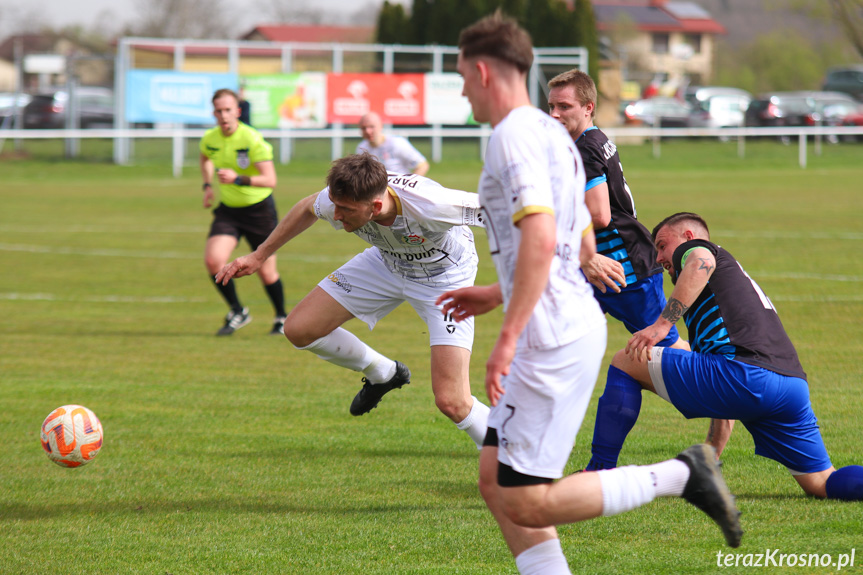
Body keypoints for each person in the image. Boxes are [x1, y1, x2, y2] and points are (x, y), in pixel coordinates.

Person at [437, 13, 742, 574]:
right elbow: (576, 232)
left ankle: (683, 474)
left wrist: (505, 338)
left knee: (525, 499)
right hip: (562, 321)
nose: (461, 89)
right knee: (493, 479)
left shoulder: (513, 137)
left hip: (548, 339)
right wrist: (494, 292)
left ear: (482, 70)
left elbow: (538, 236)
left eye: (460, 76)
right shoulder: (554, 136)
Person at [216, 153, 490, 448]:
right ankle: (383, 373)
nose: (335, 215)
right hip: (385, 263)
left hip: (445, 280)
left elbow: (511, 214)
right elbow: (307, 207)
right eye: (335, 205)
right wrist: (259, 255)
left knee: (452, 401)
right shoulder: (341, 197)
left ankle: (513, 452)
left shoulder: (433, 204)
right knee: (299, 328)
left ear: (375, 206)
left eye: (345, 210)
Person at [602, 211, 863, 501]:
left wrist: (661, 326)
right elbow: (724, 395)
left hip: (744, 376)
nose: (659, 257)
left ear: (688, 237)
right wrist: (711, 454)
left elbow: (703, 261)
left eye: (662, 245)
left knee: (625, 361)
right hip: (790, 388)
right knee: (822, 484)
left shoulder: (699, 250)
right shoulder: (723, 289)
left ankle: (597, 473)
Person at [546, 69, 690, 472]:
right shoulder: (591, 139)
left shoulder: (586, 147)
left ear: (588, 107)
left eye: (565, 106)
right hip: (596, 268)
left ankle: (723, 393)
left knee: (659, 351)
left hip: (619, 268)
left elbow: (599, 214)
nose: (555, 113)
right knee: (552, 343)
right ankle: (544, 444)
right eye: (551, 105)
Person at [199, 88, 287, 336]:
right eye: (219, 111)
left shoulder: (252, 140)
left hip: (259, 212)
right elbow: (205, 157)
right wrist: (207, 186)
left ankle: (281, 316)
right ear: (213, 113)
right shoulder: (210, 138)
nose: (223, 115)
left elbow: (270, 180)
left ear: (237, 111)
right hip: (229, 211)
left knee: (266, 272)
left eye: (228, 110)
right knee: (213, 260)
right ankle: (238, 310)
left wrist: (238, 179)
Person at [356, 112, 430, 176]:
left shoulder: (396, 143)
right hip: (379, 191)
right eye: (363, 128)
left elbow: (422, 165)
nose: (368, 131)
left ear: (381, 126)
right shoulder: (362, 148)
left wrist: (408, 187)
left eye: (371, 127)